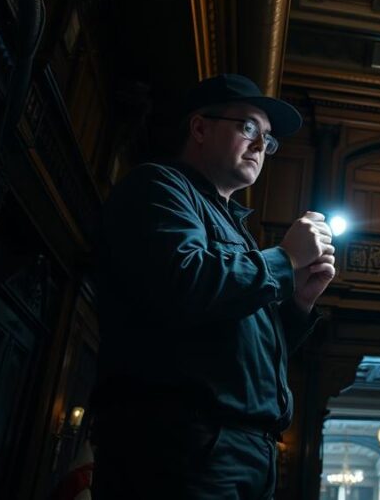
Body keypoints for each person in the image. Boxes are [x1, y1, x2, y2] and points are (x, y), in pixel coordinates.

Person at [91, 74, 336, 499]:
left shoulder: (237, 230)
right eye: (248, 128)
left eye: (268, 139)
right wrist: (284, 259)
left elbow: (242, 346)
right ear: (200, 128)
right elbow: (184, 284)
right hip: (183, 447)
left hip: (245, 450)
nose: (260, 146)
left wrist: (298, 302)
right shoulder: (158, 186)